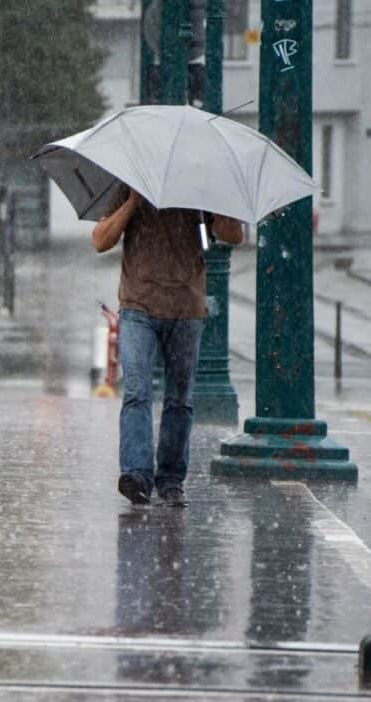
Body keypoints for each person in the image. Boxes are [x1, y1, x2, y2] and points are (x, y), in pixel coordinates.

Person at [92, 185, 244, 507]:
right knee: (136, 391)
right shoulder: (128, 183)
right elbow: (101, 240)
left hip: (186, 308)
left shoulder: (200, 185)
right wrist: (132, 202)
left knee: (179, 399)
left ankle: (171, 480)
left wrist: (214, 206)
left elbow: (234, 235)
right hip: (138, 307)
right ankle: (137, 475)